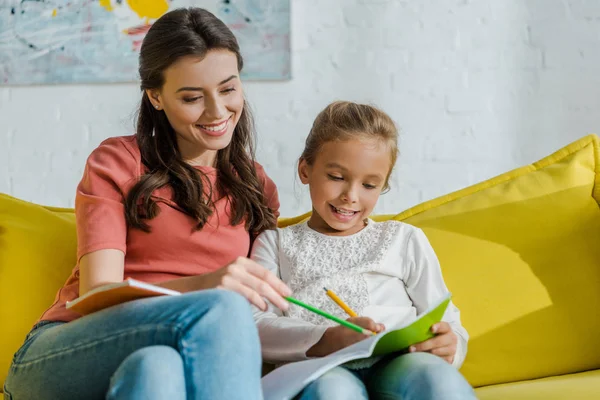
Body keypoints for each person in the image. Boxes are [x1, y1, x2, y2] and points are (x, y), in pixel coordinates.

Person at [3, 8, 291, 400]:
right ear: (156, 96)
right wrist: (205, 287)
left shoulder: (256, 186)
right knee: (222, 308)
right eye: (192, 97)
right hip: (67, 350)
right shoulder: (117, 162)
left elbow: (269, 306)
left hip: (165, 355)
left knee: (157, 368)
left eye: (228, 89)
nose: (217, 111)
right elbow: (97, 294)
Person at [251, 101, 477, 399]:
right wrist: (328, 338)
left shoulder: (404, 238)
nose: (350, 197)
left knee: (436, 380)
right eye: (336, 177)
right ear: (305, 169)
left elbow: (446, 318)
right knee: (331, 393)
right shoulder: (275, 243)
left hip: (400, 362)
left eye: (370, 185)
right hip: (322, 367)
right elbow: (256, 325)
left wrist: (451, 345)